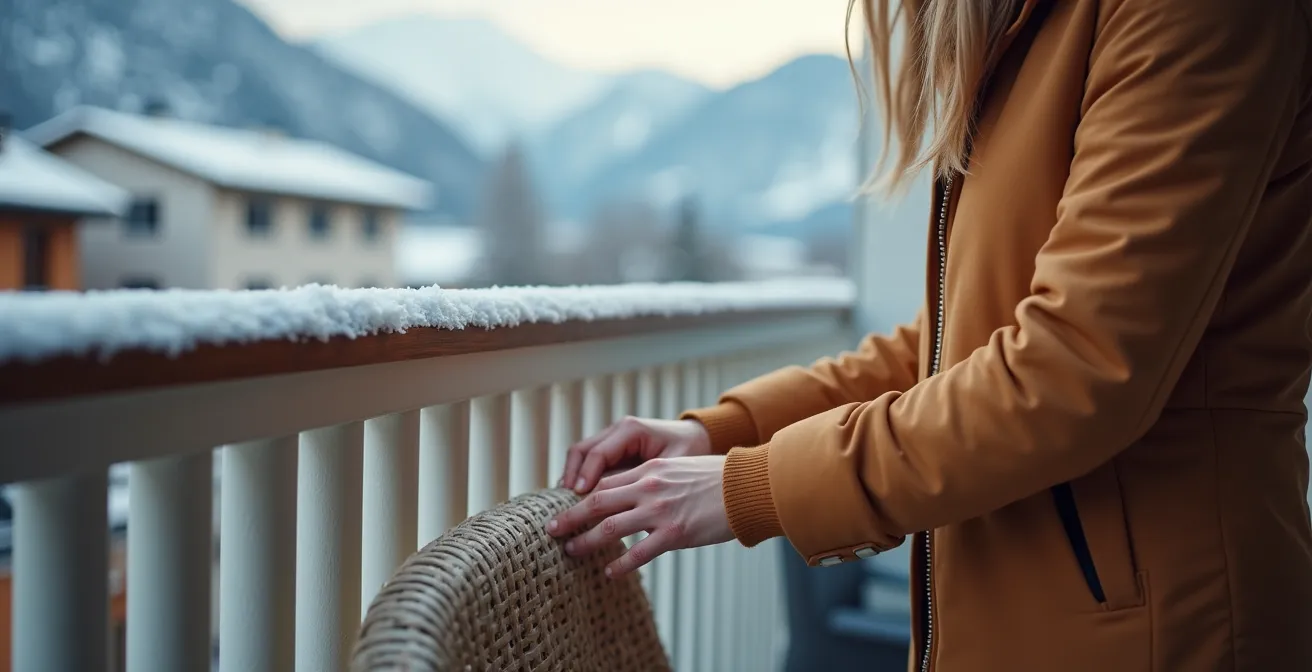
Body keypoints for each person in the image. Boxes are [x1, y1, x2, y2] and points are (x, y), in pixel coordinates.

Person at [547, 0, 1312, 669]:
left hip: (1163, 628)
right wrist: (726, 435)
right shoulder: (1028, 26)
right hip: (1028, 613)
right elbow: (955, 343)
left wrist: (755, 486)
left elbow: (1074, 367)